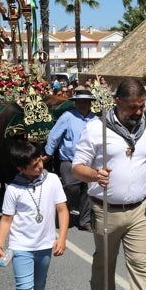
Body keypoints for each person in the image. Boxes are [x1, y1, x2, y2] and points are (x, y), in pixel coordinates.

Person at [72, 78, 146, 290]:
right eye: (132, 107)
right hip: (106, 209)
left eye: (141, 105)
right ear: (117, 102)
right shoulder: (96, 129)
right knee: (105, 263)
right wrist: (95, 175)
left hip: (140, 211)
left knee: (141, 264)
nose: (138, 112)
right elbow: (77, 168)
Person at [0, 140, 69, 290]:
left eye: (41, 160)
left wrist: (62, 238)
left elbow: (63, 210)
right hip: (21, 246)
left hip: (45, 245)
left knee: (39, 285)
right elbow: (6, 219)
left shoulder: (52, 180)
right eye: (35, 165)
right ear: (21, 169)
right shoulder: (13, 189)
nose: (40, 166)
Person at [43, 86, 97, 231]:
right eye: (79, 101)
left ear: (90, 103)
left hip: (88, 162)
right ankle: (62, 212)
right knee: (71, 188)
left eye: (86, 102)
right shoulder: (67, 117)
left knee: (87, 190)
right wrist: (48, 154)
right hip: (69, 160)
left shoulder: (96, 120)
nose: (82, 104)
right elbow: (54, 136)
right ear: (75, 102)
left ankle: (85, 220)